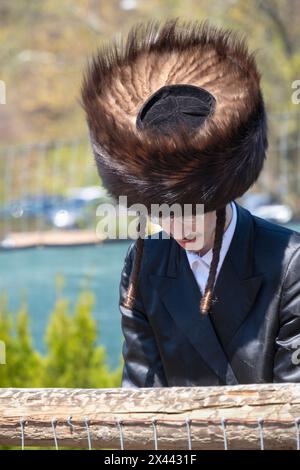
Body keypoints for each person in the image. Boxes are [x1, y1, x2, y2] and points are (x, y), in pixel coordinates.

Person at [81, 18, 300, 387]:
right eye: (161, 211)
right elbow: (140, 397)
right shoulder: (143, 264)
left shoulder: (289, 262)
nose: (177, 227)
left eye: (191, 209)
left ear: (220, 192)